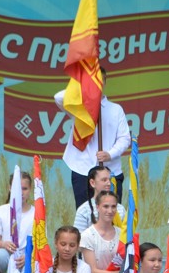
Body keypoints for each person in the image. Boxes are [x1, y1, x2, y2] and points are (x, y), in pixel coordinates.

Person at [55, 68, 132, 209]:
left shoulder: (115, 109)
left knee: (112, 214)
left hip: (110, 170)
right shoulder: (79, 107)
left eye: (99, 82)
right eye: (92, 83)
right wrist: (81, 87)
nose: (97, 86)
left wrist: (110, 154)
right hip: (82, 170)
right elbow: (59, 97)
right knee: (84, 214)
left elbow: (124, 138)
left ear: (105, 83)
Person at [0, 172, 34, 273]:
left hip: (28, 256)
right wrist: (3, 244)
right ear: (10, 188)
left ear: (30, 189)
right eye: (17, 188)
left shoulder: (37, 214)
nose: (21, 192)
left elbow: (41, 243)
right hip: (7, 253)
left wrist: (28, 256)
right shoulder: (0, 211)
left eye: (24, 188)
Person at [72, 165, 126, 232]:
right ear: (92, 183)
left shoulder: (120, 209)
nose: (109, 183)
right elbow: (78, 239)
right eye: (104, 180)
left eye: (109, 179)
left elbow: (125, 235)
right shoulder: (83, 210)